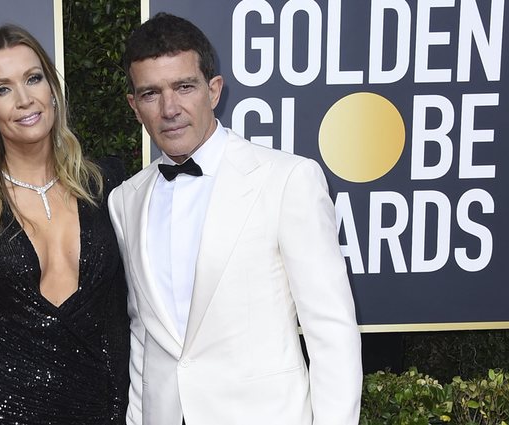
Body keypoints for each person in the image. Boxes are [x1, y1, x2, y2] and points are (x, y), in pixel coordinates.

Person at [108, 12, 362, 425]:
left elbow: (331, 331)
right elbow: (144, 335)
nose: (170, 108)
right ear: (135, 106)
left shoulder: (287, 180)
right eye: (151, 93)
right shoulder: (125, 200)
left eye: (184, 87)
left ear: (214, 91)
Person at [0, 24, 129, 425]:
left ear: (52, 89)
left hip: (95, 407)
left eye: (33, 79)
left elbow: (120, 318)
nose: (24, 100)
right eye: (2, 89)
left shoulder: (106, 183)